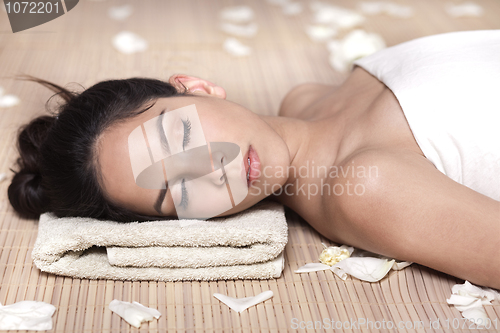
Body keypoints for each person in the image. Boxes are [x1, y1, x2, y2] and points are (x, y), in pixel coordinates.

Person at [8, 30, 500, 289]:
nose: (212, 166)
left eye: (182, 134)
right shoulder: (369, 190)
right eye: (178, 190)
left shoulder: (305, 98)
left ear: (196, 87)